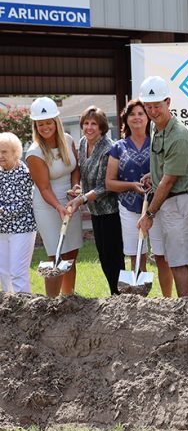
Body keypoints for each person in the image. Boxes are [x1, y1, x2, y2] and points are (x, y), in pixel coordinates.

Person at [136, 75, 188, 297]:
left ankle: (187, 308)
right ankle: (184, 308)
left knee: (179, 262)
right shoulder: (156, 129)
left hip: (180, 201)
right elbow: (162, 173)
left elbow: (168, 181)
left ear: (168, 103)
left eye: (157, 106)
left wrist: (149, 214)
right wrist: (151, 175)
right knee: (173, 259)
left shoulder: (179, 136)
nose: (153, 111)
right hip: (168, 200)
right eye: (149, 107)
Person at [106, 99, 173, 297]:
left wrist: (155, 179)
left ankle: (168, 300)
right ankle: (140, 303)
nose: (137, 117)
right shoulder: (118, 147)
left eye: (141, 113)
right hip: (128, 207)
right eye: (132, 114)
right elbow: (110, 183)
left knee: (162, 256)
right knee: (137, 256)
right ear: (126, 119)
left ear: (148, 118)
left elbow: (168, 172)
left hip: (158, 205)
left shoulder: (158, 142)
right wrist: (131, 186)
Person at [25, 97, 83, 297]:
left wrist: (76, 186)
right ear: (36, 125)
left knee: (71, 253)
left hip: (70, 201)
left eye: (48, 122)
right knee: (56, 254)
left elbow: (75, 168)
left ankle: (69, 299)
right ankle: (51, 304)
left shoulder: (67, 140)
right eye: (40, 124)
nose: (45, 127)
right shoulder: (34, 153)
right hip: (48, 205)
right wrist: (59, 206)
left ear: (56, 122)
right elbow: (44, 188)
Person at [66, 106, 124, 295]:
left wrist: (81, 199)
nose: (89, 127)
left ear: (102, 127)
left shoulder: (109, 148)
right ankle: (114, 294)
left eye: (94, 124)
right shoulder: (83, 143)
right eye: (86, 123)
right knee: (104, 256)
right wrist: (78, 188)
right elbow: (83, 173)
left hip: (111, 210)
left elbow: (104, 186)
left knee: (114, 256)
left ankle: (121, 297)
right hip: (95, 210)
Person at [0, 132, 37, 292]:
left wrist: (2, 211)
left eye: (4, 152)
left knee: (17, 273)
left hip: (22, 229)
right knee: (3, 273)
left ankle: (24, 312)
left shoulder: (24, 173)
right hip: (2, 229)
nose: (0, 156)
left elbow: (24, 203)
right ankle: (9, 311)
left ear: (15, 153)